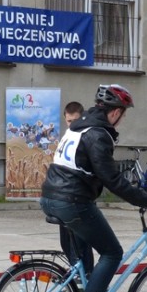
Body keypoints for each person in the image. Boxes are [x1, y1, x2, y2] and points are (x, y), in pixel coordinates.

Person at [40, 84, 147, 292]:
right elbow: (112, 179)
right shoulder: (98, 134)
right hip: (72, 201)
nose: (123, 120)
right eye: (124, 114)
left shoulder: (78, 127)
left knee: (87, 256)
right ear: (115, 112)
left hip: (52, 197)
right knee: (112, 253)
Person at [59, 101, 94, 276]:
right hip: (63, 195)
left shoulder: (85, 135)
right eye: (69, 121)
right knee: (67, 242)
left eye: (75, 120)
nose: (73, 124)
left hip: (78, 196)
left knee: (81, 242)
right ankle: (78, 277)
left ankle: (85, 277)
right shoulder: (68, 136)